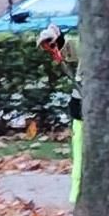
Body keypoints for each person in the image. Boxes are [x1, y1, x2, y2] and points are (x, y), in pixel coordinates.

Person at [37, 23, 82, 202]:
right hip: (82, 104)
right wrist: (57, 46)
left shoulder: (77, 44)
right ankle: (76, 194)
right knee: (80, 149)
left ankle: (77, 194)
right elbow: (69, 50)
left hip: (93, 102)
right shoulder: (84, 45)